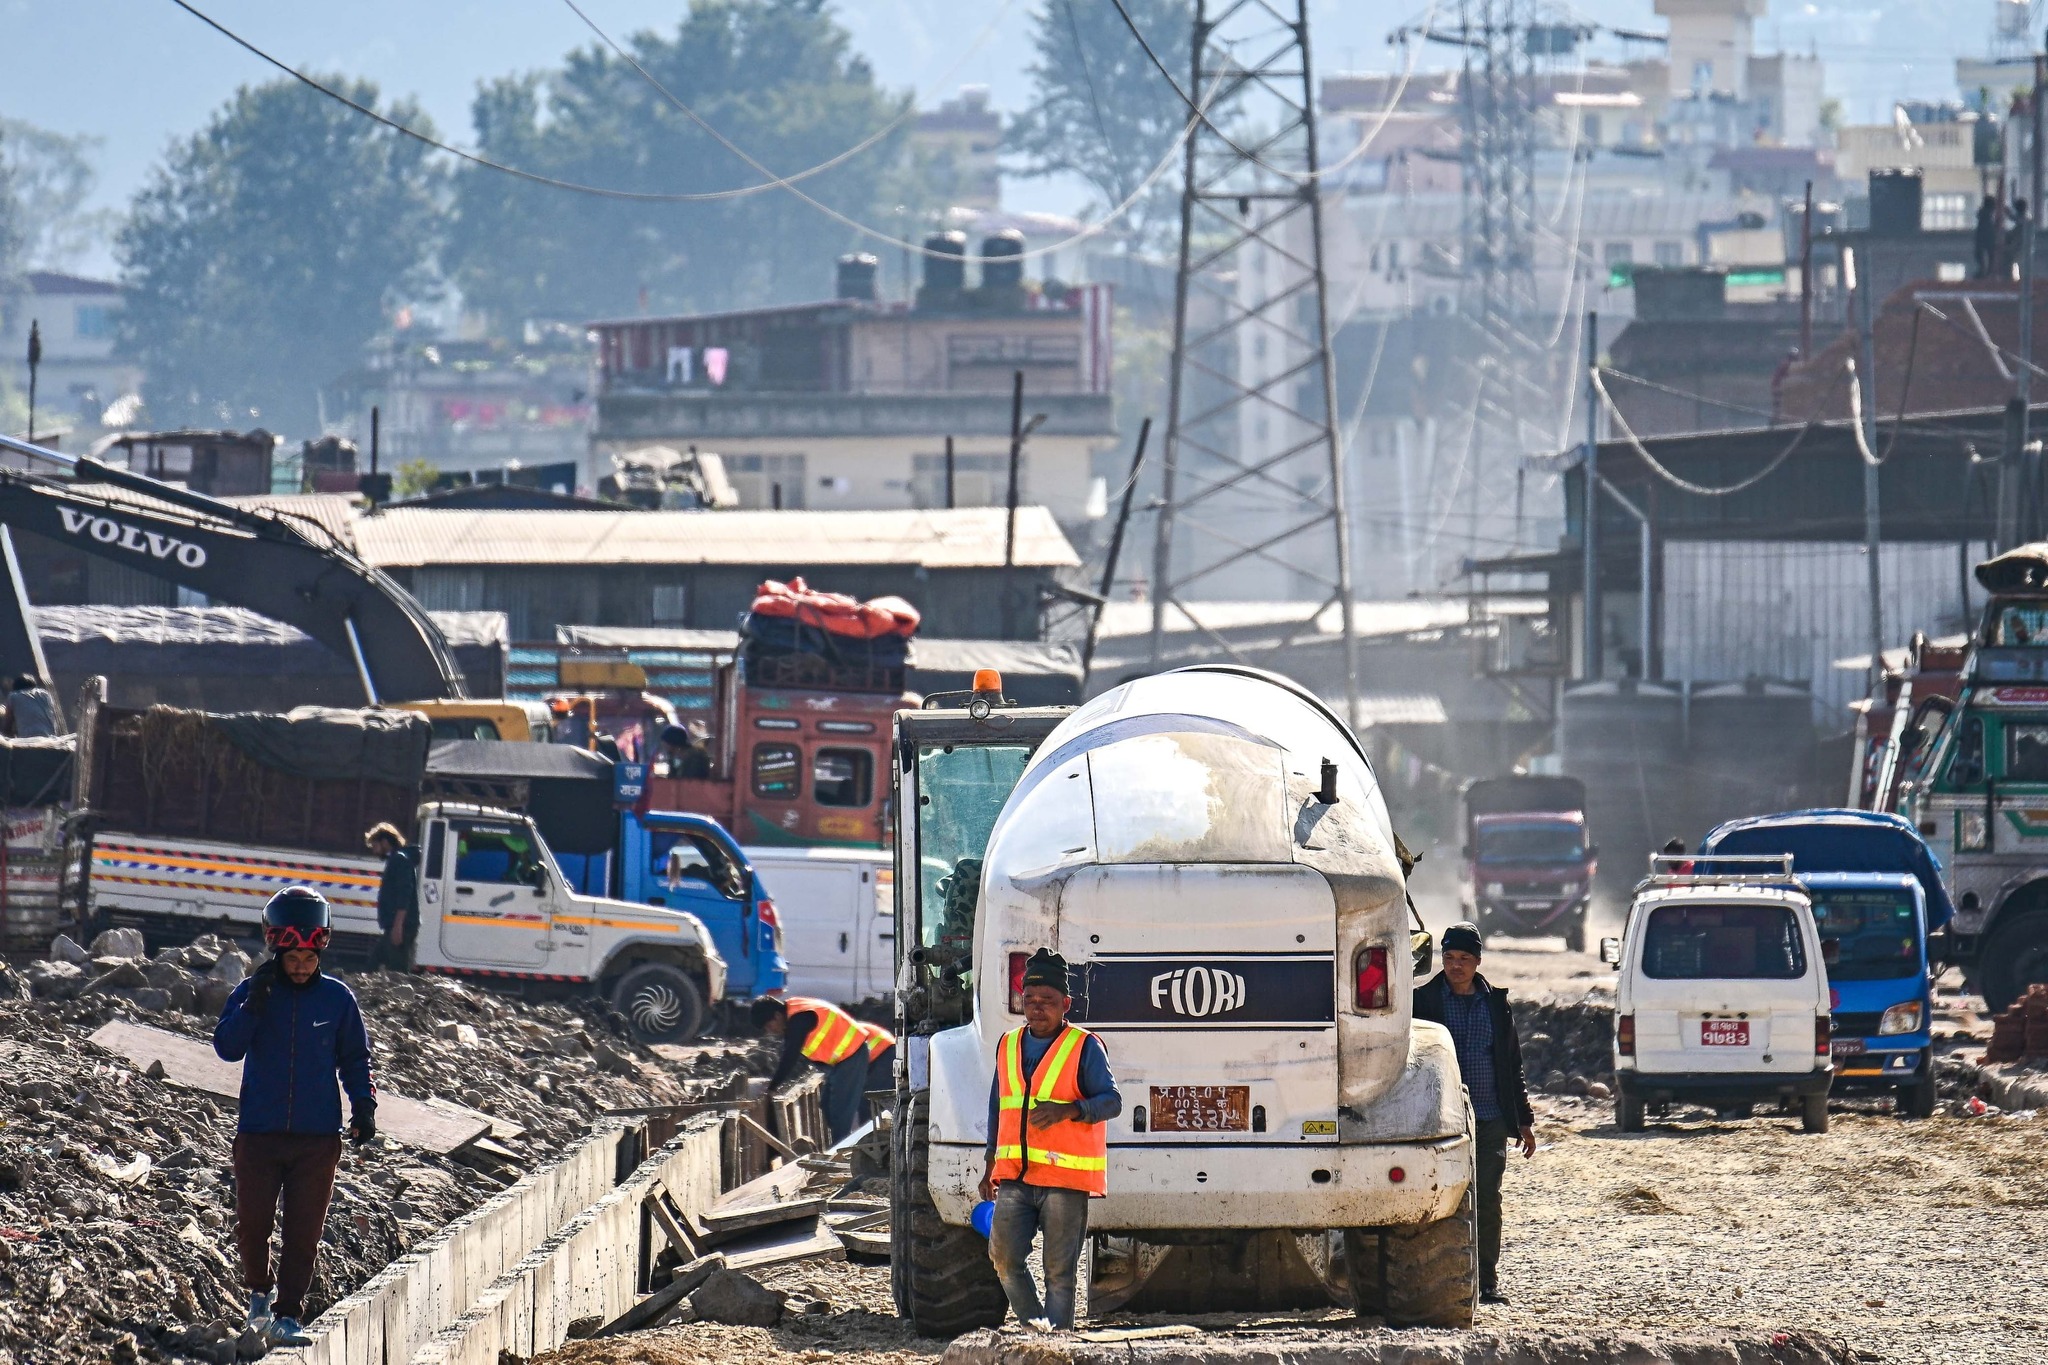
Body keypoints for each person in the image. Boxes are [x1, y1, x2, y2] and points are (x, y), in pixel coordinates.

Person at [212, 887, 377, 1347]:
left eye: (309, 957)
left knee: (303, 1232)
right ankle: (258, 1296)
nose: (301, 966)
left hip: (317, 1139)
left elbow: (355, 1058)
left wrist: (363, 1105)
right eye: (293, 958)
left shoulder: (338, 999)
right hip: (259, 1135)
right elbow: (227, 1048)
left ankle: (288, 1316)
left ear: (321, 948)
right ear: (276, 950)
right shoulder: (251, 992)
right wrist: (253, 1006)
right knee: (254, 1225)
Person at [979, 948, 1121, 1331]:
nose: (1037, 1008)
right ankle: (1039, 1331)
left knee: (1060, 1275)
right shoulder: (1008, 1045)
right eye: (1030, 1000)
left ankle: (1057, 1346)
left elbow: (1112, 1102)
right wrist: (989, 1161)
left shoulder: (1084, 1045)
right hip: (1015, 1178)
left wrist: (1068, 1110)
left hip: (1064, 1181)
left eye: (1048, 1001)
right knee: (1004, 1260)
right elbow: (998, 1107)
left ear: (1066, 1004)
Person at [1413, 923, 1534, 1306]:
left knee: (1486, 1201)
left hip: (1489, 1118)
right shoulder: (1423, 1002)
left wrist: (1524, 1121)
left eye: (1464, 959)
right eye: (1449, 958)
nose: (1456, 966)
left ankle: (1486, 1283)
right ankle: (1440, 1280)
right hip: (1440, 1122)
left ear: (1478, 962)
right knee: (1440, 1199)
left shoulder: (1496, 1004)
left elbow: (1511, 1065)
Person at [753, 995, 877, 1143]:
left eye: (768, 1026)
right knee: (826, 1105)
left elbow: (790, 1055)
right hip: (840, 1061)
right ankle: (844, 1144)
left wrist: (773, 1087)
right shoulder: (794, 1013)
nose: (770, 1031)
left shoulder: (799, 1018)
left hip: (852, 1054)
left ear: (777, 1015)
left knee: (840, 1111)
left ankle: (841, 1153)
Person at [365, 822, 417, 972]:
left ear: (385, 842)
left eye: (375, 845)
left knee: (397, 971)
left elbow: (404, 894)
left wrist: (398, 926)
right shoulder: (396, 860)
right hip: (394, 925)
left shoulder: (400, 860)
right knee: (373, 965)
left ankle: (402, 994)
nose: (374, 851)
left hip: (402, 926)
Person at [1976, 194, 2000, 278]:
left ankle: (1985, 273)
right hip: (1987, 240)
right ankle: (1986, 274)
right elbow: (1989, 229)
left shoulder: (1984, 214)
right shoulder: (1986, 215)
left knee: (1986, 259)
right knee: (1988, 259)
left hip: (1983, 240)